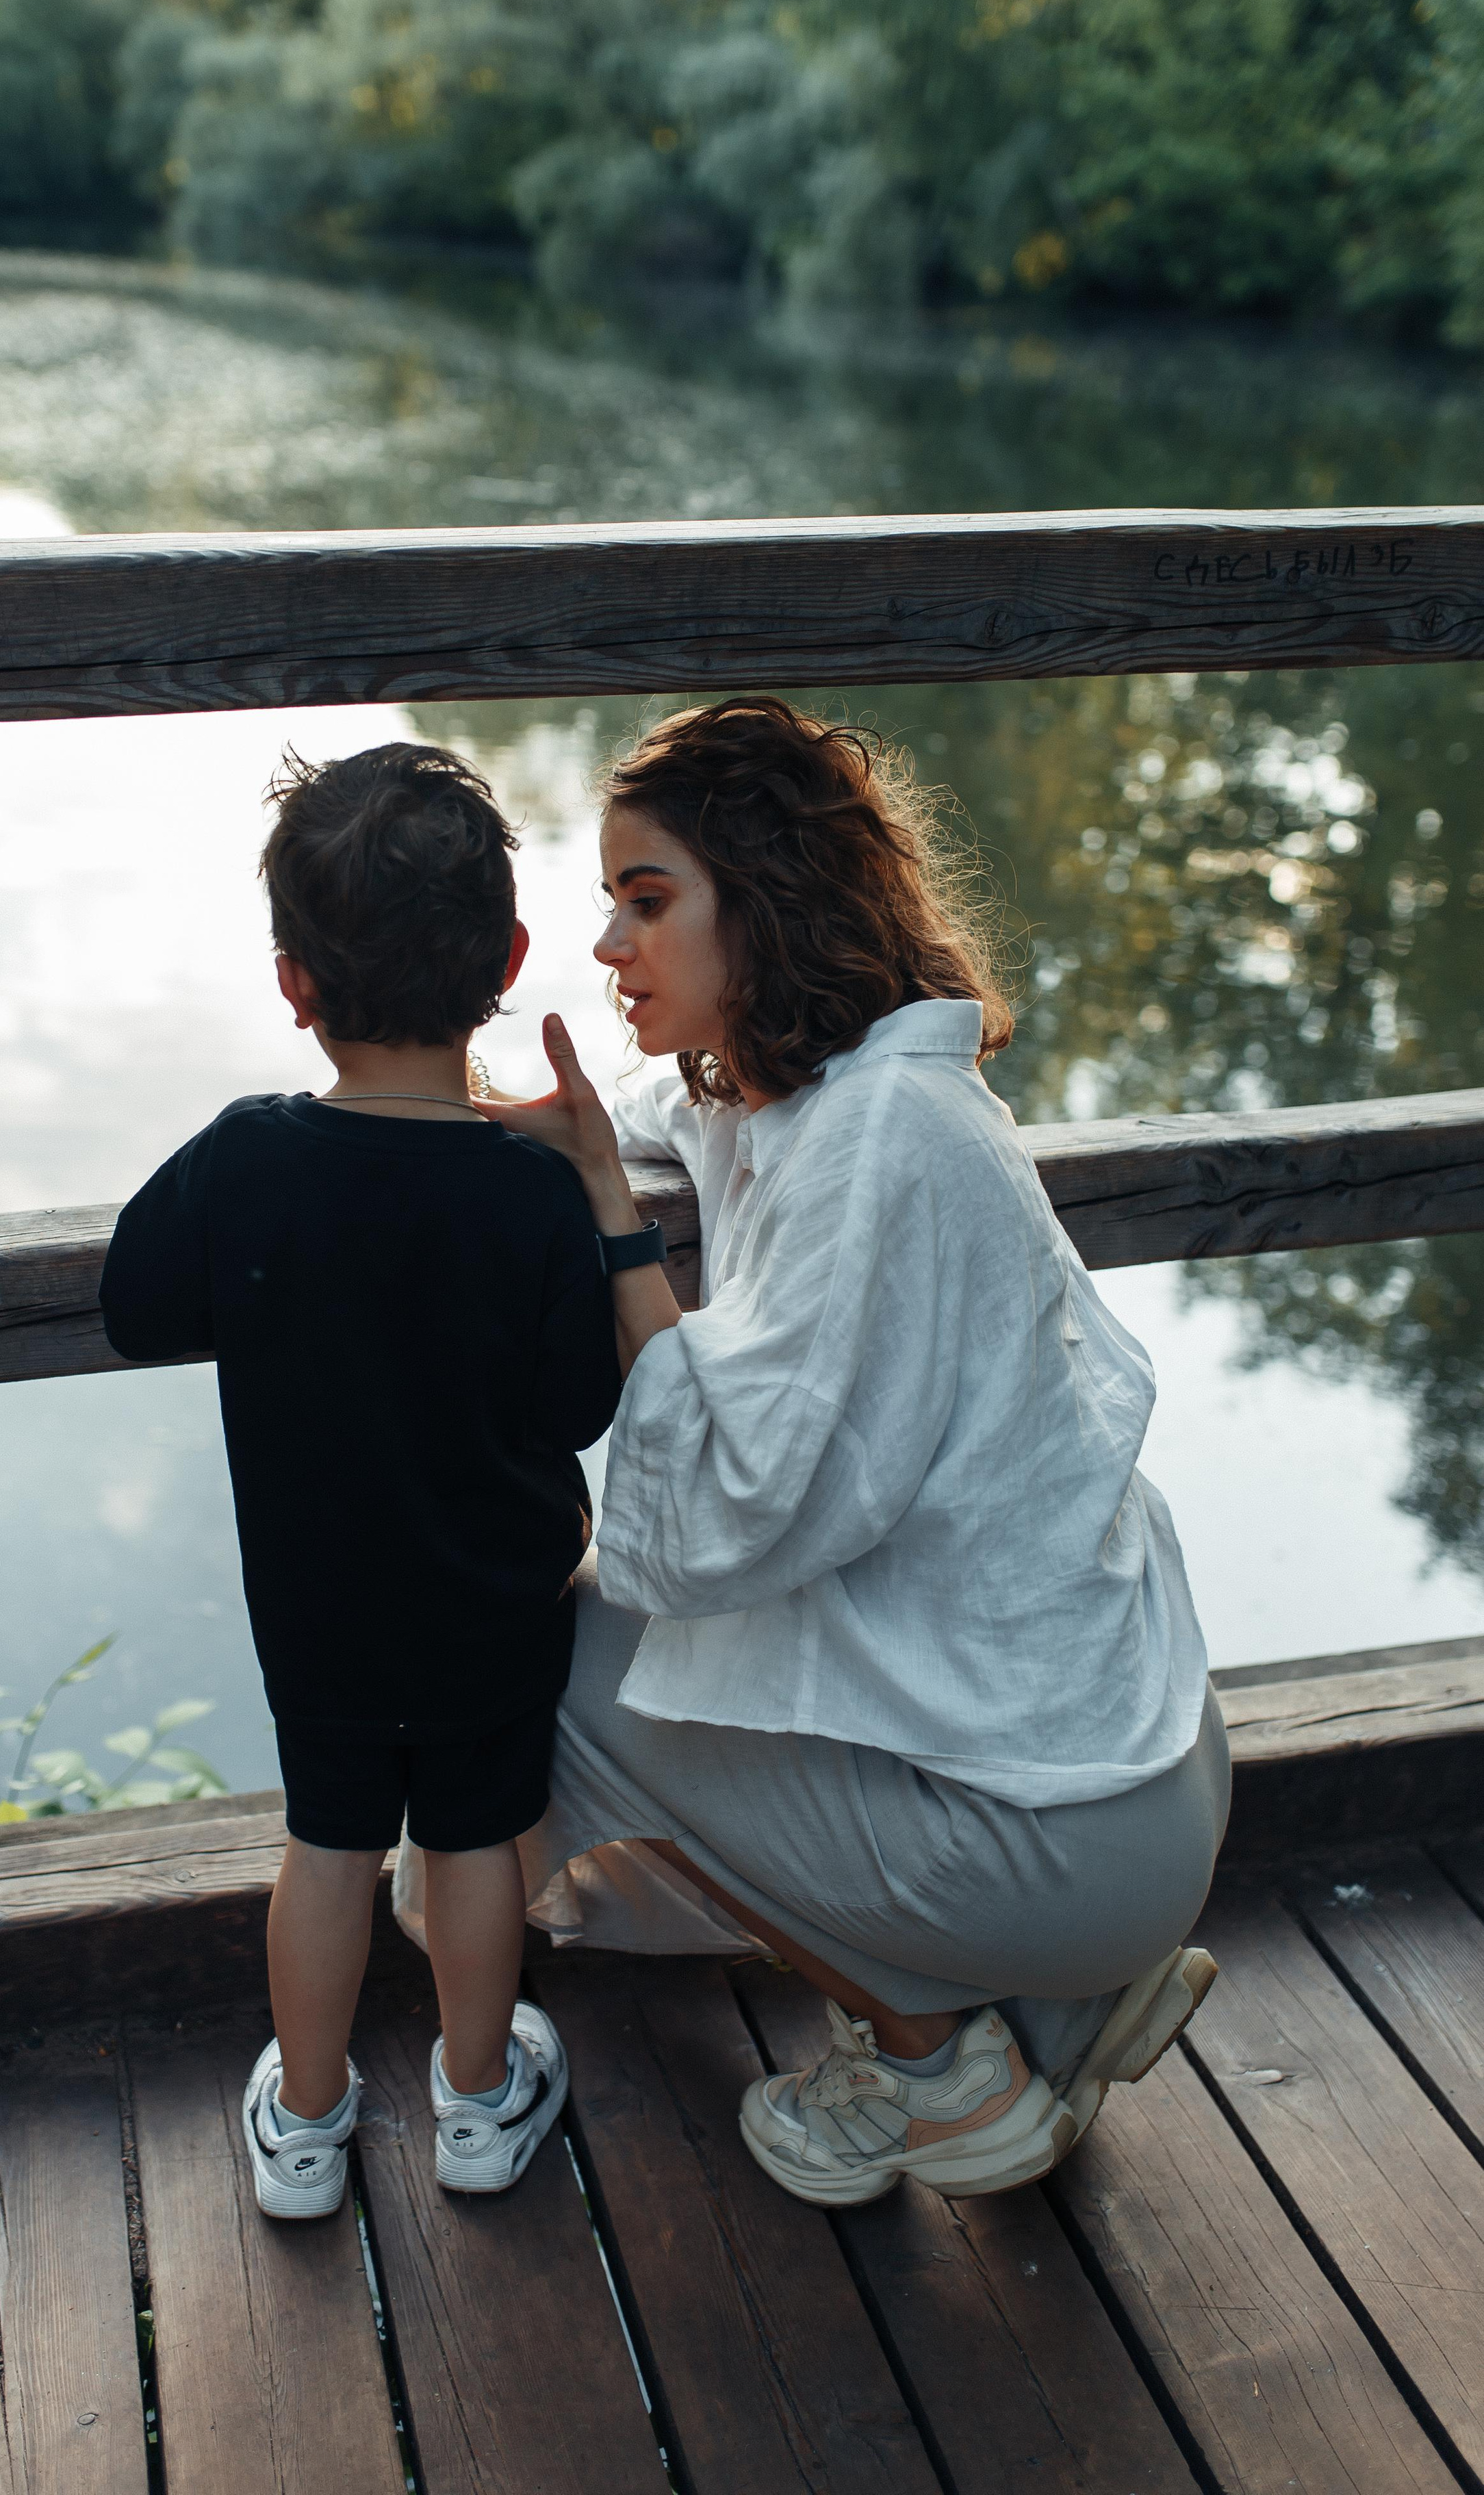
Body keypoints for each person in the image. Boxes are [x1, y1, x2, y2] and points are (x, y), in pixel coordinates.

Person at [460, 694, 1228, 2205]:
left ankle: (938, 2063)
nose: (608, 948)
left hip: (1062, 1834)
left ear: (763, 901)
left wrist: (618, 1225)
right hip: (1122, 1784)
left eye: (645, 900)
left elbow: (717, 1515)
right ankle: (1058, 2000)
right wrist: (496, 1128)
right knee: (652, 1650)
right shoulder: (837, 1092)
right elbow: (644, 1116)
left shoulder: (879, 1147)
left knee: (544, 1681)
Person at [99, 742, 622, 2216]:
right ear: (507, 960)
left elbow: (139, 1303)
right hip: (488, 1603)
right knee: (469, 1837)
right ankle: (472, 2102)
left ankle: (310, 2124)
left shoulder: (250, 1160)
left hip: (319, 1604)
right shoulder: (527, 1189)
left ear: (292, 983)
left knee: (326, 1845)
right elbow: (577, 1401)